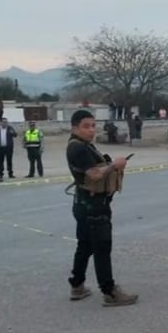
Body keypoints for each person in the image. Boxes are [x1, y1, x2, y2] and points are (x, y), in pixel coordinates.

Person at [65, 109, 138, 306]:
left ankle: (77, 285)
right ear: (74, 128)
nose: (91, 130)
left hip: (85, 203)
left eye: (93, 125)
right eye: (86, 126)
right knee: (102, 247)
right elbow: (95, 175)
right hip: (93, 206)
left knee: (85, 245)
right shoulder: (78, 148)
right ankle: (109, 291)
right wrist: (115, 165)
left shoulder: (83, 145)